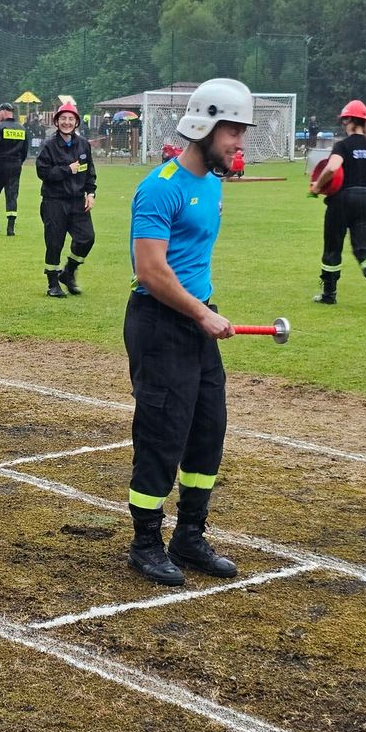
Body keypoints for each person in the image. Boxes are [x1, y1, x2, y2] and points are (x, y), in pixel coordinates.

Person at [125, 77, 250, 588]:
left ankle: (190, 535)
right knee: (162, 433)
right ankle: (145, 543)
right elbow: (150, 271)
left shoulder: (213, 183)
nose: (239, 142)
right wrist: (201, 314)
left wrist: (203, 312)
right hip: (160, 322)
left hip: (198, 319)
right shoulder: (161, 186)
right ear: (205, 126)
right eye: (233, 131)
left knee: (207, 429)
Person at [310, 100, 366, 310]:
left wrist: (317, 187)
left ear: (347, 120)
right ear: (364, 122)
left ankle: (329, 294)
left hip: (342, 200)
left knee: (332, 248)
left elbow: (332, 168)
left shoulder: (343, 145)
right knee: (364, 248)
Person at [35, 102, 96, 297]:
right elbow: (42, 171)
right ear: (57, 121)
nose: (67, 122)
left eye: (71, 119)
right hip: (54, 201)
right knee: (54, 243)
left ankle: (68, 272)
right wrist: (66, 170)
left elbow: (89, 172)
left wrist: (91, 193)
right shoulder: (49, 146)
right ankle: (53, 283)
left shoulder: (83, 144)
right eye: (63, 119)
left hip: (78, 201)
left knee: (87, 238)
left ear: (76, 122)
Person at [0, 102, 28, 236]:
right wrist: (19, 162)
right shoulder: (22, 129)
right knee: (12, 195)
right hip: (15, 165)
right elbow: (25, 151)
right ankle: (10, 228)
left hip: (0, 165)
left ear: (4, 111)